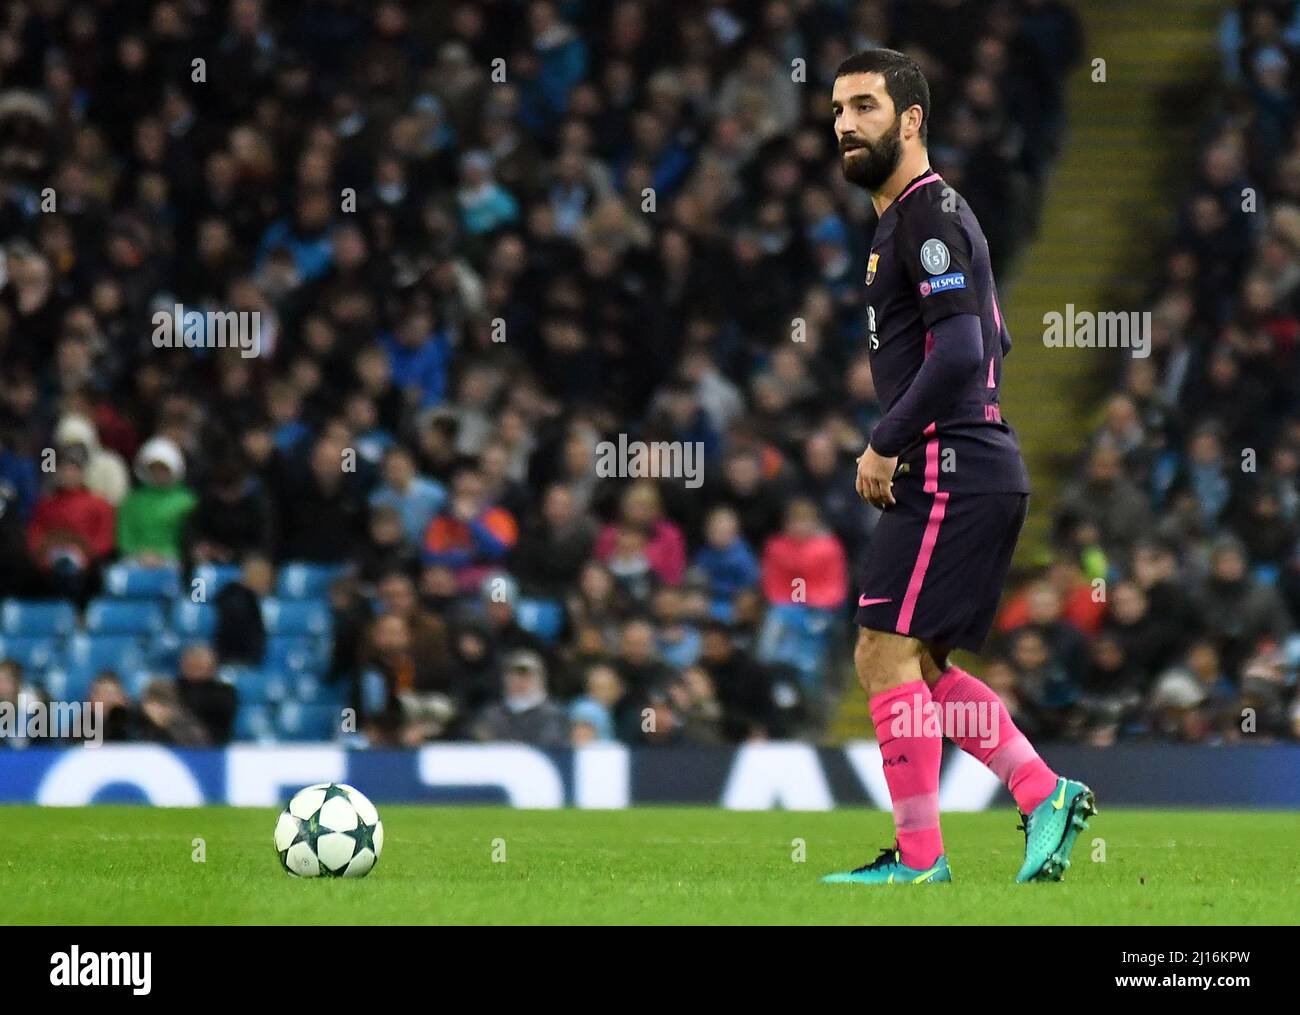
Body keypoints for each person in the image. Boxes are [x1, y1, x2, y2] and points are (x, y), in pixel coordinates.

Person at [821, 49, 1092, 888]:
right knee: (921, 662)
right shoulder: (922, 216)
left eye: (864, 106)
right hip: (974, 462)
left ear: (911, 120)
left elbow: (965, 348)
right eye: (836, 110)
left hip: (948, 465)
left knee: (881, 651)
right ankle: (1043, 793)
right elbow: (994, 338)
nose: (843, 124)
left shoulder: (923, 215)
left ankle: (920, 860)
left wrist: (885, 440)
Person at [470, 649, 569, 747]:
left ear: (540, 679)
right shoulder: (491, 714)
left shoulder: (552, 715)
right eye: (513, 675)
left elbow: (550, 745)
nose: (518, 681)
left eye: (525, 676)